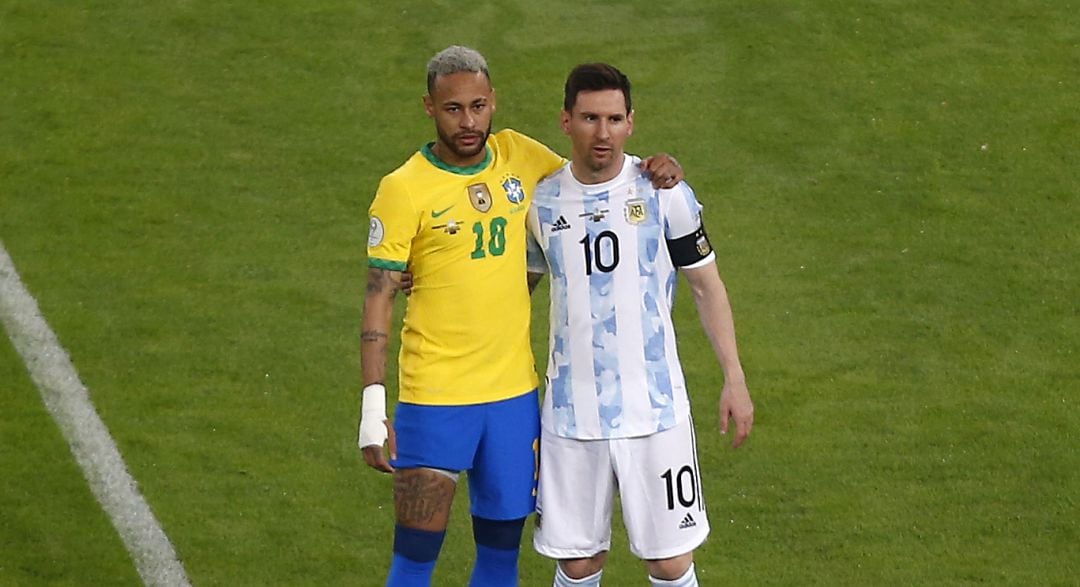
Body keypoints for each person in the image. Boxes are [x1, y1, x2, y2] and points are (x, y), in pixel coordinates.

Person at [358, 46, 685, 587]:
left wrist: (656, 166)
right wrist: (372, 405)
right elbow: (378, 295)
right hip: (435, 395)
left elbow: (593, 176)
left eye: (479, 106)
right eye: (453, 109)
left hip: (514, 400)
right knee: (415, 560)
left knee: (499, 558)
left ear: (494, 103)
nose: (468, 122)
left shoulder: (520, 157)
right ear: (429, 107)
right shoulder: (403, 188)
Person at [525, 63, 755, 587]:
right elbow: (514, 291)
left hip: (655, 408)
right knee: (578, 562)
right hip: (569, 412)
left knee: (669, 561)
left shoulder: (664, 193)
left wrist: (734, 377)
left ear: (631, 122)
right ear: (566, 121)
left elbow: (706, 286)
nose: (601, 133)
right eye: (589, 118)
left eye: (613, 118)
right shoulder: (540, 202)